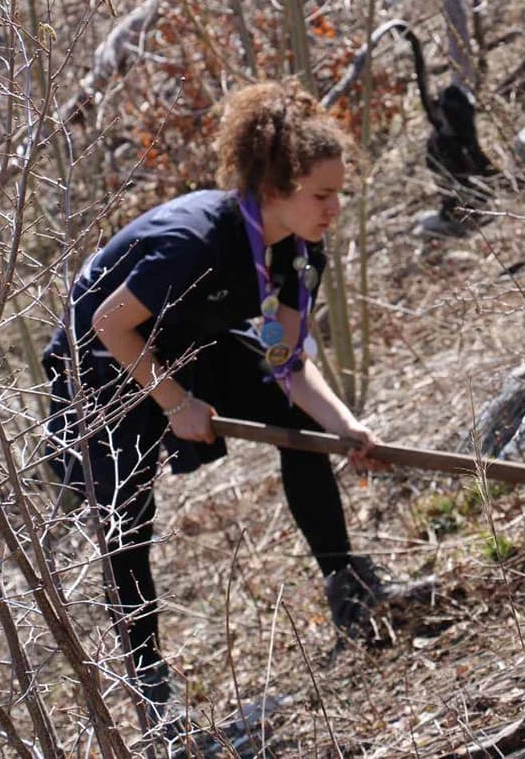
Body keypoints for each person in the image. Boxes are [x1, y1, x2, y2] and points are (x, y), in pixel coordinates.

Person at [41, 79, 393, 723]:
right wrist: (176, 402)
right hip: (102, 365)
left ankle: (349, 584)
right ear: (275, 188)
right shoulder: (194, 242)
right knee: (126, 521)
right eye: (322, 194)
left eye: (340, 192)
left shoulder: (302, 248)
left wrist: (346, 427)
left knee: (289, 417)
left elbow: (285, 364)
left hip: (191, 339)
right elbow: (110, 326)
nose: (334, 207)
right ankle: (153, 695)